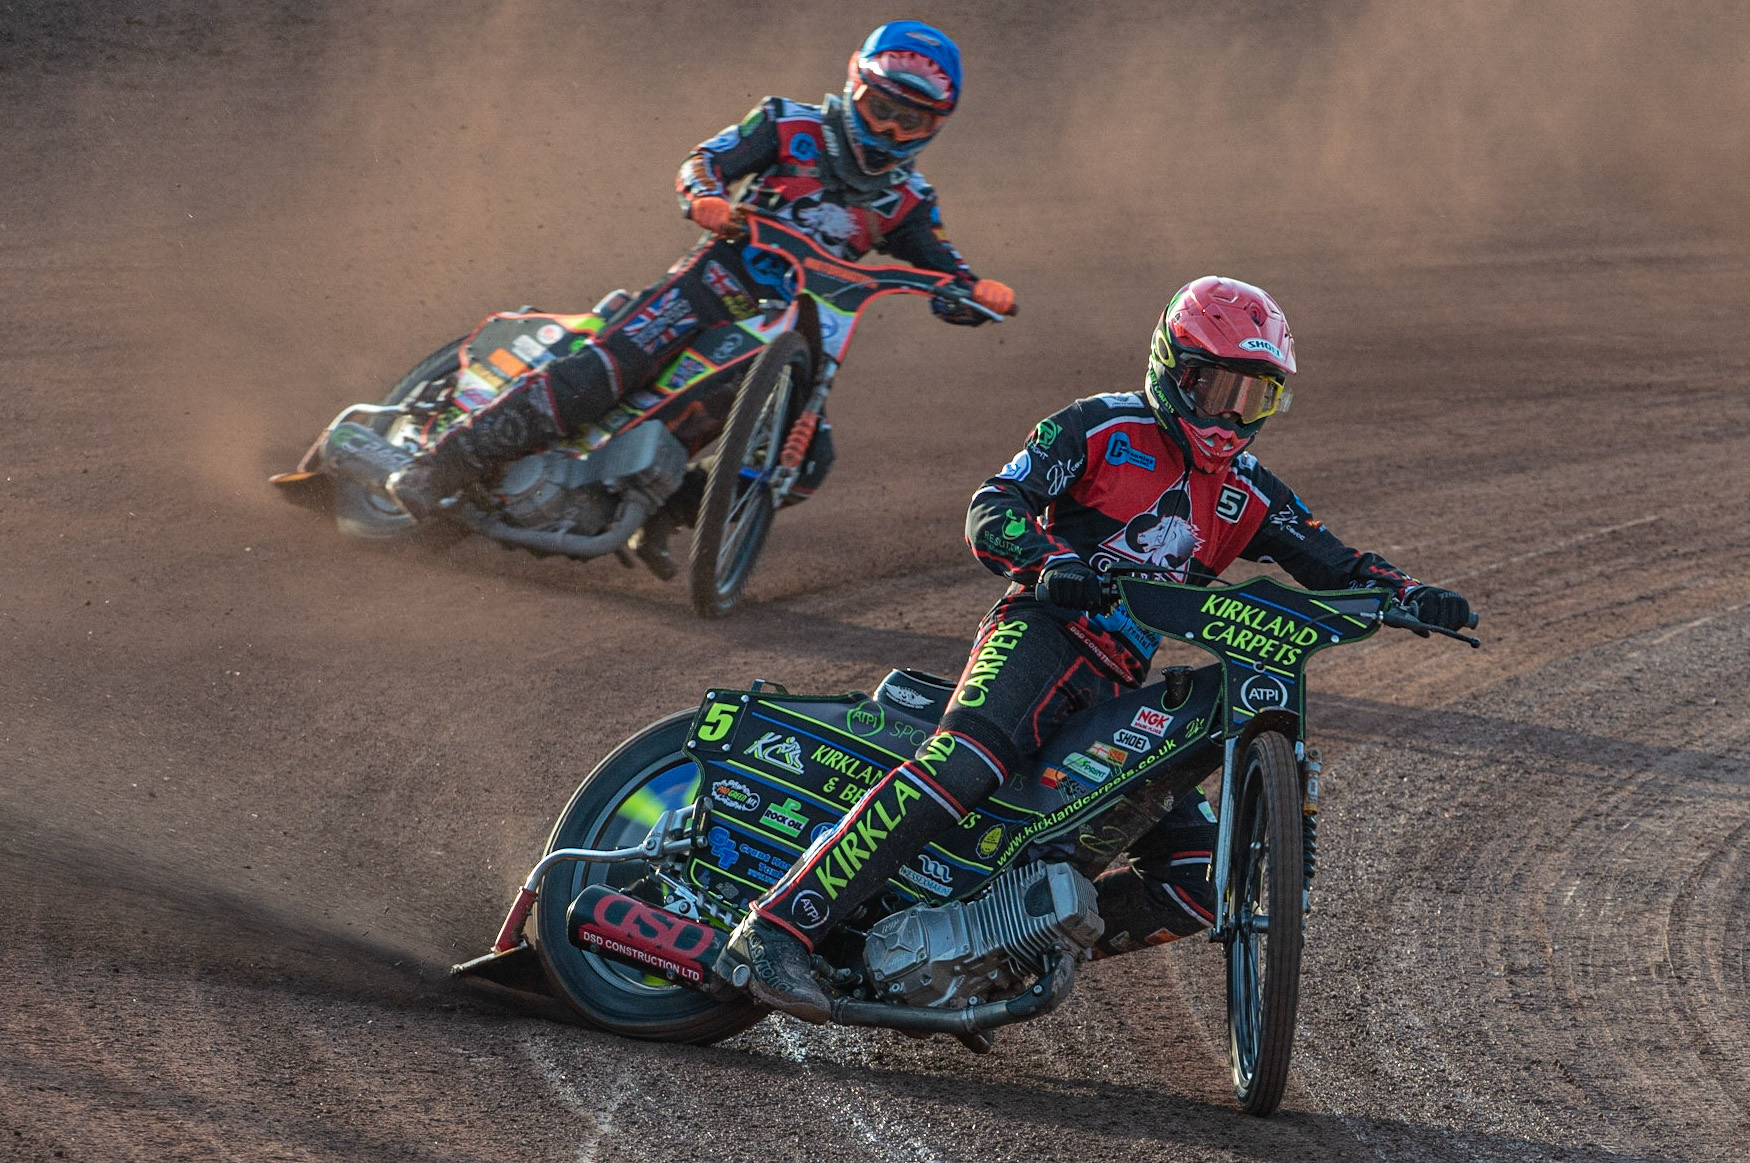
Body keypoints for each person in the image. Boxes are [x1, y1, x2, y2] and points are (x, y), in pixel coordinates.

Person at [715, 275, 1473, 1019]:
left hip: (1118, 686)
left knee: (1197, 882)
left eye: (1257, 396)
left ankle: (1004, 948)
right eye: (1220, 390)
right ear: (1175, 369)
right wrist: (1049, 563)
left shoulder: (1251, 492)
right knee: (964, 763)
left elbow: (1340, 565)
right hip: (1038, 633)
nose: (1234, 416)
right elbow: (993, 506)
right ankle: (778, 928)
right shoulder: (1101, 426)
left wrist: (1409, 595)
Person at [385, 21, 1017, 578]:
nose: (887, 128)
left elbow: (947, 273)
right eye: (878, 105)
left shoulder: (910, 202)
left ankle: (661, 512)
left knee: (807, 459)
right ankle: (439, 464)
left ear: (934, 127)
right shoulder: (786, 124)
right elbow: (705, 161)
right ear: (854, 85)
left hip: (799, 327)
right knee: (609, 373)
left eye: (909, 120)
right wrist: (706, 198)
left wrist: (975, 294)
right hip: (712, 284)